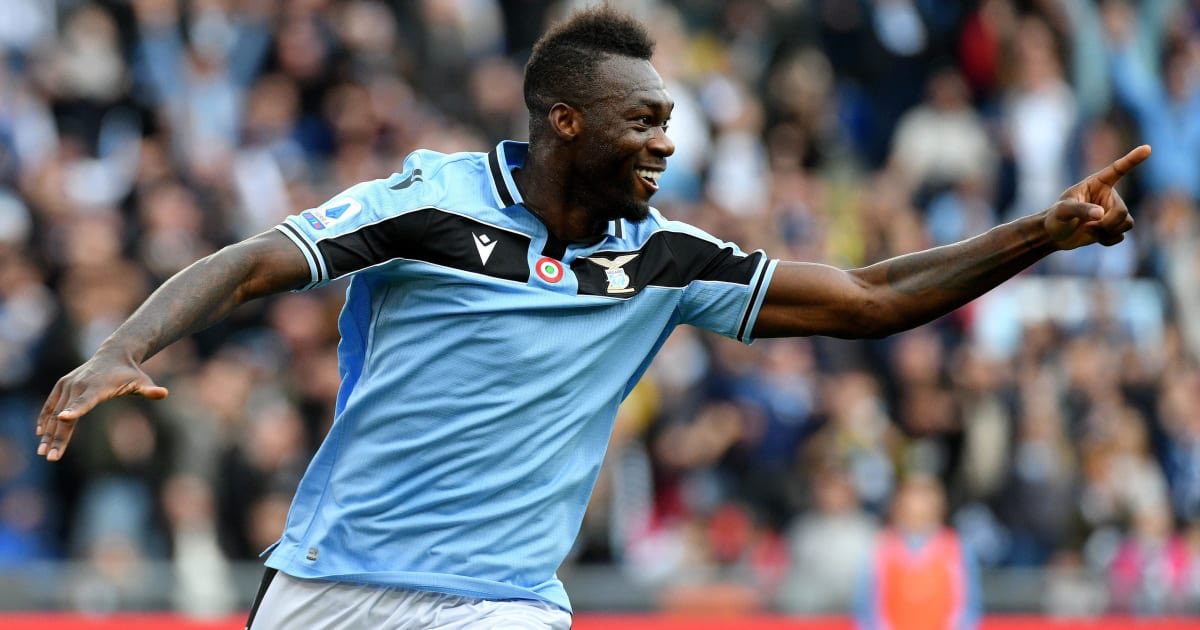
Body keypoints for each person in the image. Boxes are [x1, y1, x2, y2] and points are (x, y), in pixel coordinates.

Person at [34, 7, 1148, 629]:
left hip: (503, 602)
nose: (670, 141)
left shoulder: (667, 257)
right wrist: (122, 346)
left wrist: (1039, 234)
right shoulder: (430, 203)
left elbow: (864, 298)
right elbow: (253, 262)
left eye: (672, 122)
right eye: (646, 121)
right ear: (568, 122)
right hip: (336, 581)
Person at [854, 474, 981, 630]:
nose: (918, 506)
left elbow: (967, 609)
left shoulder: (956, 548)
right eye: (911, 497)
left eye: (925, 497)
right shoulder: (882, 548)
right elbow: (867, 611)